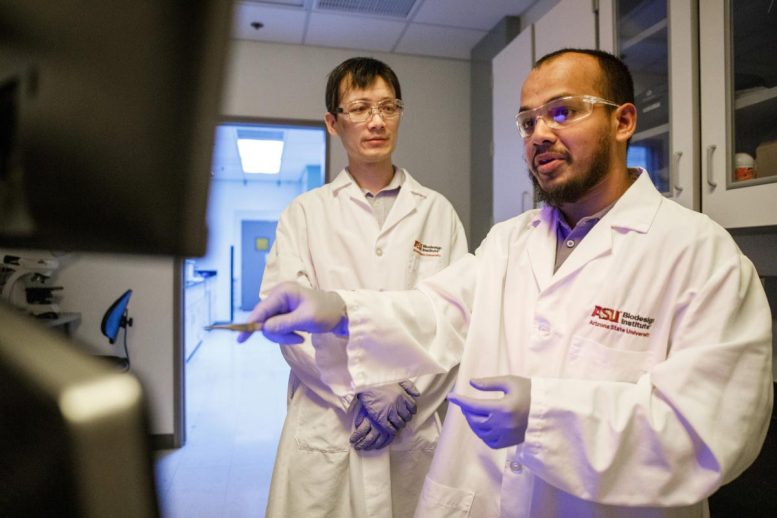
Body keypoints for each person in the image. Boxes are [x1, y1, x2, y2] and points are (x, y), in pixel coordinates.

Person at [242, 49, 773, 517]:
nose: (540, 132)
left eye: (563, 111)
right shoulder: (509, 241)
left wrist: (542, 416)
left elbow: (709, 434)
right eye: (528, 121)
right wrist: (339, 310)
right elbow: (438, 311)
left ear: (623, 121)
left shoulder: (701, 255)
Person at [252, 57, 468, 518]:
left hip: (412, 423)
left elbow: (455, 317)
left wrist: (405, 398)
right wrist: (361, 390)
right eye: (360, 108)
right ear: (333, 123)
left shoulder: (437, 212)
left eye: (389, 107)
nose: (377, 121)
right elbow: (288, 322)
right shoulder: (305, 213)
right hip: (329, 420)